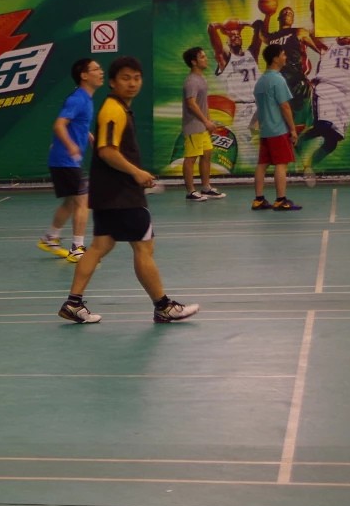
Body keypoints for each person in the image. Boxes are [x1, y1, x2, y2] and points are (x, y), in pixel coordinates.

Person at [58, 57, 198, 326]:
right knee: (144, 246)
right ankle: (163, 306)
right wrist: (136, 173)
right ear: (113, 82)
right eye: (125, 78)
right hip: (122, 193)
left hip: (107, 192)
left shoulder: (119, 107)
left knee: (100, 245)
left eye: (136, 78)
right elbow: (106, 151)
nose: (132, 83)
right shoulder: (113, 110)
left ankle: (73, 303)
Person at [39, 58, 102, 262]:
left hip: (65, 160)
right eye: (95, 69)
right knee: (83, 201)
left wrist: (89, 136)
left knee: (71, 201)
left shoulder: (86, 98)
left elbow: (77, 123)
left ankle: (50, 238)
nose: (100, 72)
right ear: (84, 75)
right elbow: (59, 125)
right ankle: (78, 248)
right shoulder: (77, 99)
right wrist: (71, 146)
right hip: (65, 159)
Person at [252, 45, 301, 211]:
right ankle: (281, 200)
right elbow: (284, 106)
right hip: (278, 130)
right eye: (283, 54)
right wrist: (293, 129)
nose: (285, 57)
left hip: (265, 130)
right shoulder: (278, 80)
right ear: (275, 59)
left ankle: (258, 200)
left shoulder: (260, 81)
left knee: (262, 164)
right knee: (281, 164)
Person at [210, 20, 262, 171]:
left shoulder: (252, 54)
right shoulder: (225, 59)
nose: (236, 36)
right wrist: (221, 26)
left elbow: (259, 27)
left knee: (264, 145)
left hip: (258, 107)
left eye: (238, 35)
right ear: (227, 41)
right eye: (232, 36)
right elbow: (211, 29)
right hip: (240, 109)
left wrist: (244, 23)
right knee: (246, 152)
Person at [299, 35, 350, 184]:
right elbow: (310, 32)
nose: (344, 35)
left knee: (333, 140)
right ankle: (298, 141)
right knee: (323, 126)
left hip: (346, 95)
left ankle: (309, 166)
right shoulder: (328, 44)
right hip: (327, 87)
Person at [180, 47, 224, 202]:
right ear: (194, 62)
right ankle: (190, 191)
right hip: (193, 126)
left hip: (203, 127)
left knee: (206, 155)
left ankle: (206, 188)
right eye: (202, 57)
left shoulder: (201, 79)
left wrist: (208, 122)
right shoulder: (191, 81)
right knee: (191, 158)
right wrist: (205, 121)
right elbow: (191, 103)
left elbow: (203, 103)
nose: (206, 59)